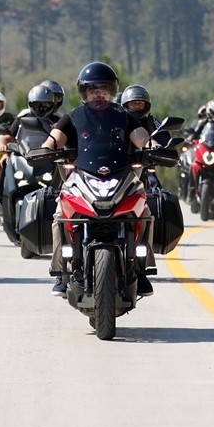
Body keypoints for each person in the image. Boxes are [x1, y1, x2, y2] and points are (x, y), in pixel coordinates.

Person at [42, 62, 154, 295]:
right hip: (82, 175)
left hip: (120, 174)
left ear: (113, 91)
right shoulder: (73, 117)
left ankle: (141, 270)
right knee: (59, 215)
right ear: (85, 92)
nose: (99, 94)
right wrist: (46, 147)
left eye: (104, 89)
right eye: (94, 90)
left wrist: (153, 146)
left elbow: (142, 137)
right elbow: (54, 138)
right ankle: (62, 272)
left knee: (144, 210)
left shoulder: (124, 116)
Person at [0, 83, 60, 219]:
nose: (41, 108)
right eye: (37, 105)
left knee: (66, 170)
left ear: (53, 105)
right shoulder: (23, 116)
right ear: (30, 104)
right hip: (25, 155)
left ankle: (64, 203)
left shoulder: (58, 119)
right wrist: (3, 146)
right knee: (4, 163)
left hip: (50, 158)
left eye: (45, 105)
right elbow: (9, 136)